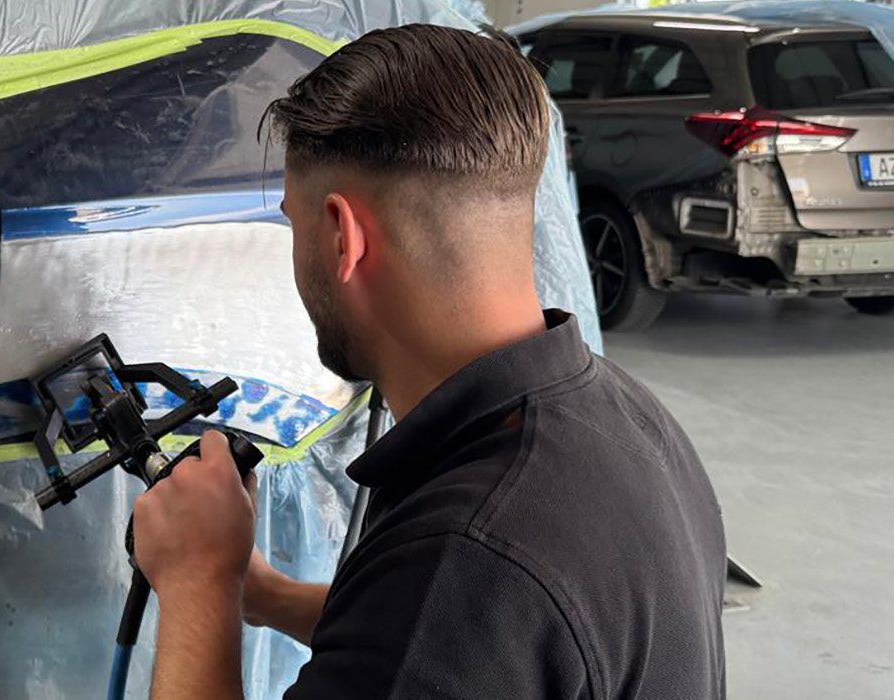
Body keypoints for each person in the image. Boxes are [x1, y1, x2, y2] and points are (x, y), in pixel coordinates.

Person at [129, 24, 726, 699]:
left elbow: (445, 620)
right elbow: (442, 654)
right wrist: (264, 595)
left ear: (341, 235)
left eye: (293, 222)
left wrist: (198, 581)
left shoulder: (466, 555)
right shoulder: (625, 415)